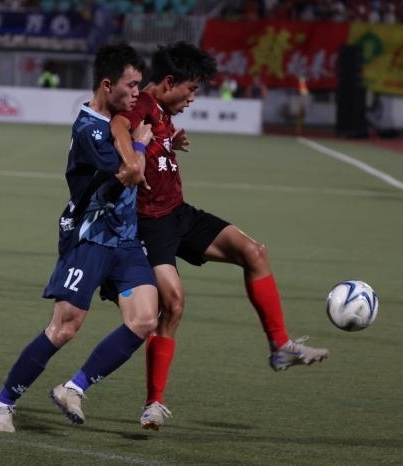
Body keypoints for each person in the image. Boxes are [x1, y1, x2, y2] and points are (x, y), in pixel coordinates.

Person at [110, 42, 329, 431]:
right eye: (191, 89)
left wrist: (168, 143)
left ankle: (280, 346)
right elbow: (119, 126)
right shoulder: (142, 102)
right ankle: (153, 403)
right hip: (150, 226)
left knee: (254, 252)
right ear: (169, 82)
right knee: (173, 304)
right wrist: (132, 159)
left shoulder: (163, 112)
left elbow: (154, 142)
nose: (193, 98)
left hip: (179, 213)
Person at [0, 43, 158, 434]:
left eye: (139, 85)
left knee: (146, 319)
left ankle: (73, 387)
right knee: (65, 327)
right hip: (89, 235)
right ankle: (2, 403)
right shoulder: (89, 129)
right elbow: (131, 172)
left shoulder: (117, 120)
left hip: (125, 239)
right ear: (107, 85)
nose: (136, 92)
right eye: (130, 85)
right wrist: (141, 144)